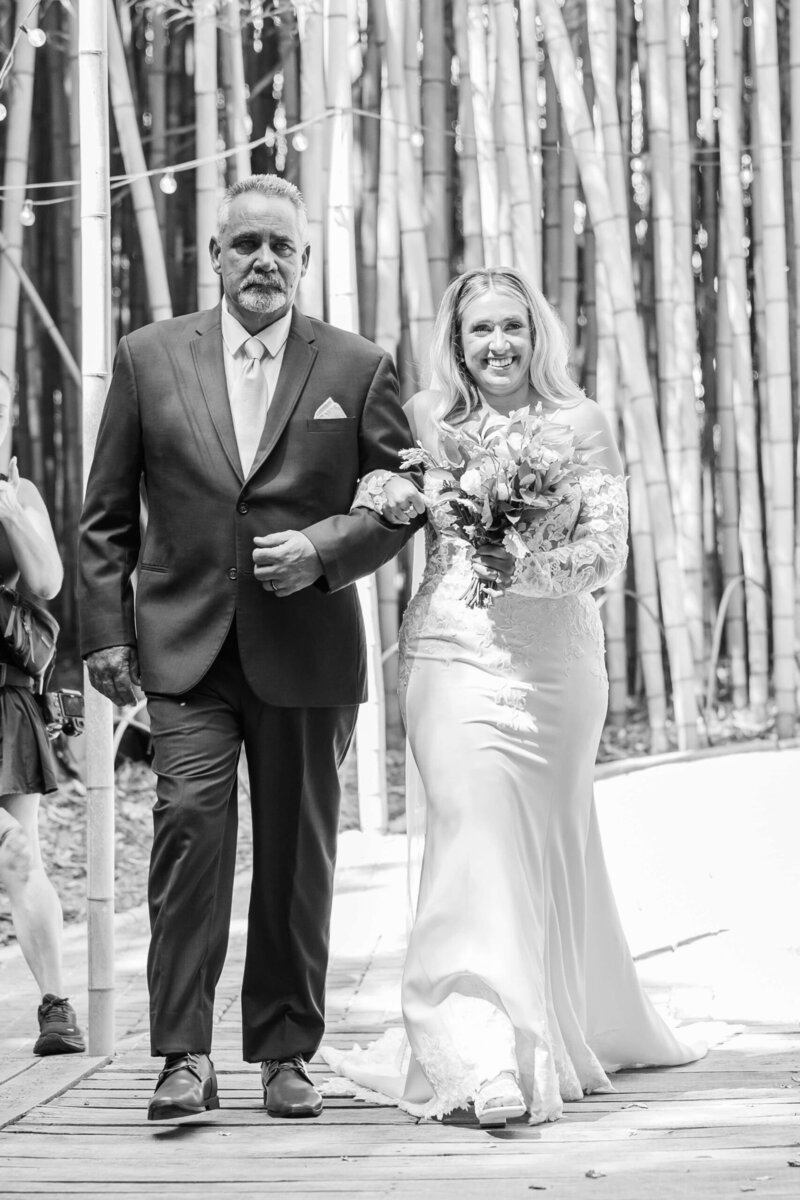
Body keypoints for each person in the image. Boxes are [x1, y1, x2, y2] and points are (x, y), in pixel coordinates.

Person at [322, 267, 707, 1126]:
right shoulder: (426, 417)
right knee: (473, 836)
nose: (497, 345)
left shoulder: (582, 422)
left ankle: (564, 1017)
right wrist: (379, 496)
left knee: (545, 841)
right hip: (452, 651)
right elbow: (382, 495)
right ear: (455, 345)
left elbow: (607, 552)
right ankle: (482, 1052)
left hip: (557, 665)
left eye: (512, 327)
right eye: (479, 331)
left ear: (537, 334)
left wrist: (523, 566)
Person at [77, 174, 421, 1121]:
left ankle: (283, 1051)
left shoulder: (355, 366)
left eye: (281, 245)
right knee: (190, 833)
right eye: (246, 245)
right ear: (216, 256)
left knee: (297, 853)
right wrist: (103, 634)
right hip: (184, 646)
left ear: (304, 261)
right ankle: (183, 1055)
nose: (262, 261)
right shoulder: (150, 358)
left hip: (307, 650)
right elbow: (106, 516)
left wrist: (325, 549)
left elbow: (399, 498)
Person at [0, 369, 85, 1057]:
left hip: (6, 697)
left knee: (20, 855)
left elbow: (49, 582)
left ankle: (57, 1010)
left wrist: (5, 506)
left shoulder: (19, 493)